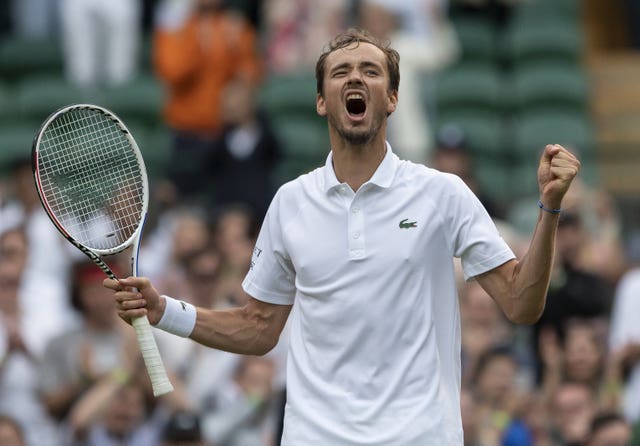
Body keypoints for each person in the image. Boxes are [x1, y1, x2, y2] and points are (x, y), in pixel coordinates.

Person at [105, 28, 581, 444]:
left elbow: (522, 304)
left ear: (392, 98)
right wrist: (164, 311)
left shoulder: (443, 194)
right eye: (341, 72)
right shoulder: (290, 202)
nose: (356, 78)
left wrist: (550, 208)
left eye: (371, 71)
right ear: (320, 101)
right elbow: (258, 327)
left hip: (421, 436)